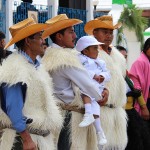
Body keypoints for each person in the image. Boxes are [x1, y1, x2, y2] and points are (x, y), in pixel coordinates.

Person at [42, 14, 109, 150]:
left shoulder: (51, 55)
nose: (74, 36)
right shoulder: (65, 59)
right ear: (59, 36)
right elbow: (87, 84)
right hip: (69, 117)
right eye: (71, 32)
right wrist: (100, 95)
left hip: (61, 114)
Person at [0, 18, 63, 150]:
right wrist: (26, 139)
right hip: (22, 140)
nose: (43, 41)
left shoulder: (37, 67)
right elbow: (13, 108)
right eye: (39, 37)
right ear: (28, 41)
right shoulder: (15, 68)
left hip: (39, 139)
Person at [84, 15, 127, 150]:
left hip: (118, 112)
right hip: (100, 111)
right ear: (94, 32)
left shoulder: (118, 56)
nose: (109, 36)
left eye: (110, 32)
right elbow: (84, 81)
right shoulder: (88, 53)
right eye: (104, 32)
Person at [76, 35, 111, 145]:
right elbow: (80, 70)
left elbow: (108, 73)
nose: (97, 51)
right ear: (85, 51)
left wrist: (102, 76)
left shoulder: (101, 62)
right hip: (86, 86)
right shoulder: (80, 59)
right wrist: (93, 74)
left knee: (95, 107)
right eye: (95, 48)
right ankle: (92, 121)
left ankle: (99, 132)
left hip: (97, 89)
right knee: (86, 93)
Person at [129, 38, 150, 116]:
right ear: (146, 47)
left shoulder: (148, 61)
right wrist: (144, 107)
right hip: (146, 102)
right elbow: (136, 88)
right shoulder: (140, 62)